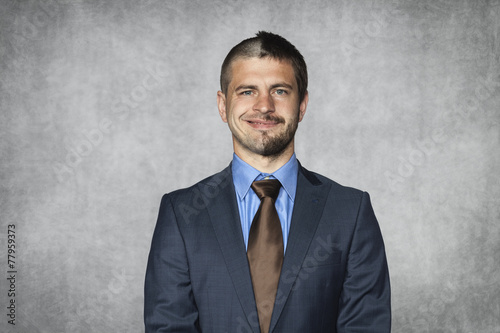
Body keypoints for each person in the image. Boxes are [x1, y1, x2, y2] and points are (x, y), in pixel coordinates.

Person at [144, 31, 391, 333]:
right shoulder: (180, 213)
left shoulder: (350, 212)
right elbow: (169, 327)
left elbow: (366, 327)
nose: (264, 106)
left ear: (302, 105)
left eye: (280, 91)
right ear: (223, 106)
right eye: (247, 91)